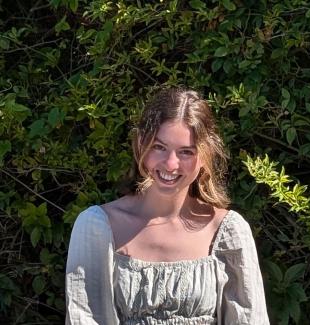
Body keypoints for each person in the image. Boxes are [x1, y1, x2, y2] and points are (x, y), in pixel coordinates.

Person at [65, 87, 269, 325]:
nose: (171, 164)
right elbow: (86, 317)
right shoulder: (97, 227)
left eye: (186, 152)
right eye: (159, 147)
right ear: (141, 144)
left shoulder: (228, 232)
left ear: (205, 156)